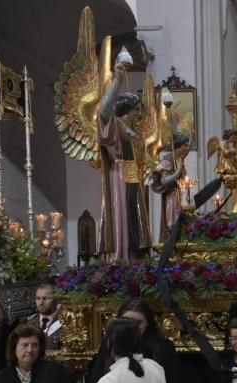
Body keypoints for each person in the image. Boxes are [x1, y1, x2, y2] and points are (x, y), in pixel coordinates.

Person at [97, 60, 152, 262]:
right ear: (127, 110)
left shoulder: (133, 132)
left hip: (133, 176)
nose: (139, 114)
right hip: (119, 174)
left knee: (135, 219)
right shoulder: (115, 125)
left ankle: (135, 257)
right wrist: (117, 81)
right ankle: (121, 258)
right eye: (137, 109)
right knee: (121, 215)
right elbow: (103, 112)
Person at [88, 298, 180, 383]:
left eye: (138, 323)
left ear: (147, 323)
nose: (132, 327)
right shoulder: (109, 343)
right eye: (126, 321)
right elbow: (96, 381)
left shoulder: (163, 346)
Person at [151, 131, 191, 238]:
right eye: (185, 146)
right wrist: (178, 171)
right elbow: (164, 181)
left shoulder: (179, 158)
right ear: (177, 146)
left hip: (180, 195)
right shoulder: (167, 160)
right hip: (171, 196)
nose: (186, 149)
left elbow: (187, 151)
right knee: (173, 223)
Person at [24, 280, 62, 350]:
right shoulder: (29, 324)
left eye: (45, 298)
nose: (41, 302)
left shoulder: (64, 322)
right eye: (38, 298)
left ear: (55, 299)